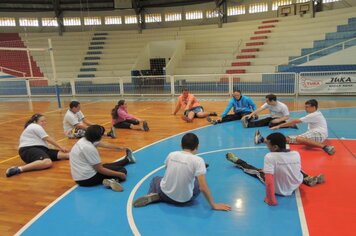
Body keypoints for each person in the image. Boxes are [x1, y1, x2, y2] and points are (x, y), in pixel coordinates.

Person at [133, 133, 231, 211]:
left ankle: (153, 194)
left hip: (165, 194)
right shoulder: (198, 160)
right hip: (184, 200)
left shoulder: (171, 154)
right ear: (197, 146)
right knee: (196, 181)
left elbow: (167, 169)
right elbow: (203, 187)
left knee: (155, 179)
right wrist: (214, 205)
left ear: (181, 145)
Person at [225, 132, 325, 206]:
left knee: (256, 172)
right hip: (295, 185)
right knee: (294, 166)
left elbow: (269, 182)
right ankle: (307, 178)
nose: (267, 146)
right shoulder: (295, 154)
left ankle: (237, 161)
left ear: (275, 147)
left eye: (268, 144)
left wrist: (271, 199)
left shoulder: (270, 156)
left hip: (279, 190)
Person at [69, 125, 136, 192]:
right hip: (88, 179)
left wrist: (119, 147)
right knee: (122, 170)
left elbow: (104, 144)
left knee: (107, 165)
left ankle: (128, 159)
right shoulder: (89, 148)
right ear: (99, 137)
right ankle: (114, 180)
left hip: (78, 178)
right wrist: (120, 175)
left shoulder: (84, 140)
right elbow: (100, 169)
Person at [6, 113, 70, 177]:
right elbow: (47, 138)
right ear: (35, 121)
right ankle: (19, 169)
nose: (44, 122)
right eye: (42, 121)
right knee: (47, 162)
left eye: (45, 121)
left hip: (41, 149)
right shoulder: (34, 126)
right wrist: (61, 147)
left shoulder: (35, 127)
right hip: (28, 150)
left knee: (67, 155)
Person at [266, 99, 335, 155]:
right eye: (305, 107)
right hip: (313, 133)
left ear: (313, 107)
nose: (305, 109)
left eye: (307, 107)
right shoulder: (314, 114)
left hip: (319, 134)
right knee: (286, 139)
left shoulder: (314, 115)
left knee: (299, 138)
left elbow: (296, 121)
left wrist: (279, 126)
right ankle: (262, 140)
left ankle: (325, 147)